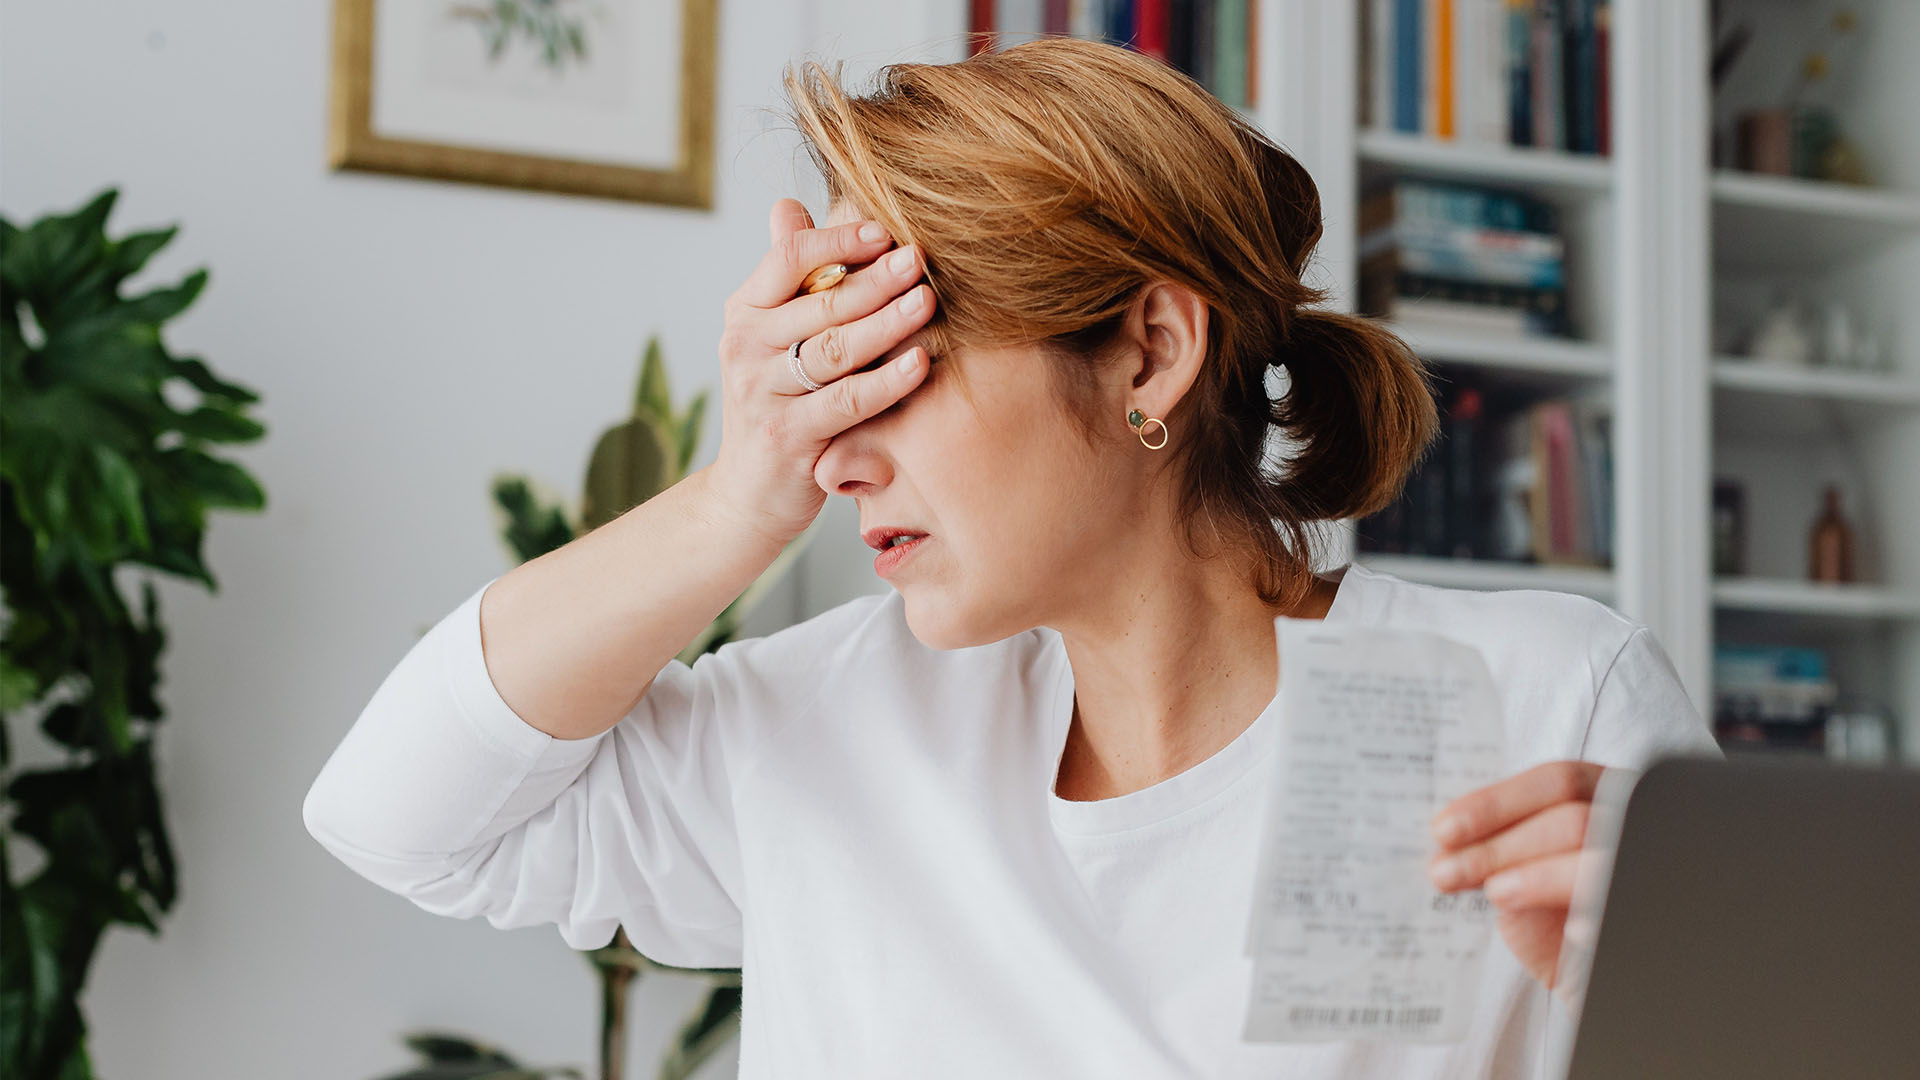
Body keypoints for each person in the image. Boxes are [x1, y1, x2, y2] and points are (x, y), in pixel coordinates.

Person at [303, 37, 1715, 1078]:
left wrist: (1672, 1002)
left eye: (895, 369)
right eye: (822, 383)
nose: (836, 455)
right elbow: (394, 819)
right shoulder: (837, 725)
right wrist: (735, 501)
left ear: (1149, 352)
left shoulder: (1538, 705)